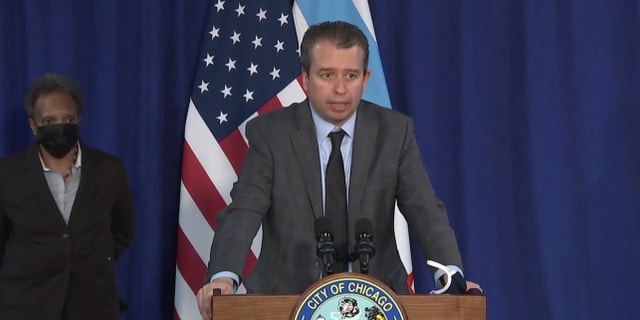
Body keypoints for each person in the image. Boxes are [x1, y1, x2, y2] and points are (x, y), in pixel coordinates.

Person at [197, 21, 481, 319]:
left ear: (365, 78)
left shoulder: (394, 132)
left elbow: (424, 209)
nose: (341, 89)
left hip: (378, 297)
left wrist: (451, 274)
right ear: (305, 78)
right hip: (285, 295)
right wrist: (223, 276)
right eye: (327, 75)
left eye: (351, 75)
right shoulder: (271, 134)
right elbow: (244, 210)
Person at [0, 73, 135, 319]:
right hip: (26, 307)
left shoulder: (109, 170)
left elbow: (122, 232)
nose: (59, 127)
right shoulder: (7, 175)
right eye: (49, 121)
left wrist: (88, 260)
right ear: (33, 125)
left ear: (78, 120)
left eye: (68, 119)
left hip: (93, 306)